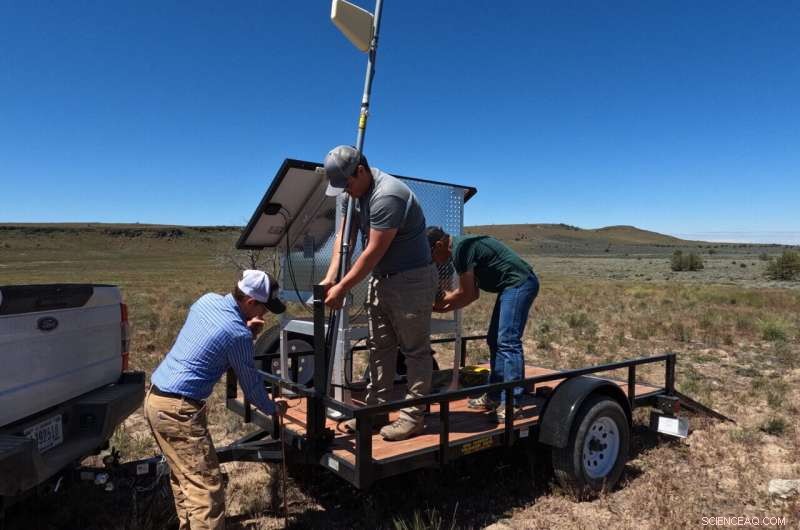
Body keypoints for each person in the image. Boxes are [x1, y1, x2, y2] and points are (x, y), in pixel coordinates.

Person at [145, 270, 288, 530]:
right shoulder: (237, 335)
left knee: (185, 481)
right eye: (263, 308)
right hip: (179, 411)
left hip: (156, 400)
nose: (264, 314)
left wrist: (245, 333)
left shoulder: (207, 300)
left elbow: (212, 337)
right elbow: (251, 386)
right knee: (206, 490)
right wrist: (273, 407)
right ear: (250, 301)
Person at [320, 145, 438, 441]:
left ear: (360, 171)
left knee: (414, 350)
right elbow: (344, 238)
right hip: (382, 279)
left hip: (411, 281)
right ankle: (375, 411)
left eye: (347, 184)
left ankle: (413, 417)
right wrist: (331, 276)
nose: (345, 191)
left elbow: (373, 251)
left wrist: (343, 287)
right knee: (379, 347)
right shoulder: (351, 193)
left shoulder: (388, 195)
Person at [427, 227, 539, 422]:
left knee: (508, 341)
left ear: (439, 245)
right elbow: (473, 293)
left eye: (431, 255)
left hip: (520, 283)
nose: (433, 260)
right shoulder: (459, 250)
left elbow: (467, 294)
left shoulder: (461, 250)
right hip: (510, 287)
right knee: (494, 340)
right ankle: (495, 396)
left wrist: (440, 306)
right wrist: (442, 306)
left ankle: (512, 403)